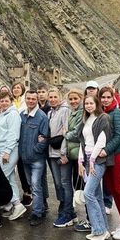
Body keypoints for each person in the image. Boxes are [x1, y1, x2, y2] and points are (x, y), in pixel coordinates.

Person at [98, 86, 120, 240]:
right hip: (108, 156)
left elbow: (119, 135)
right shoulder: (104, 113)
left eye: (108, 97)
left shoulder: (117, 113)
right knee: (112, 188)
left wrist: (106, 149)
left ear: (113, 97)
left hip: (118, 154)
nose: (105, 100)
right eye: (103, 97)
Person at [78, 95, 113, 240]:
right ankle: (102, 229)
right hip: (87, 160)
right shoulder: (86, 120)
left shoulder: (103, 118)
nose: (88, 105)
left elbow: (102, 140)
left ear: (96, 104)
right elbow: (83, 142)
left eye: (91, 103)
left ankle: (99, 230)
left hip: (97, 161)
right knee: (97, 196)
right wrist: (81, 161)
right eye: (86, 103)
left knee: (88, 193)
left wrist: (92, 159)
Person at [19, 90, 50, 226]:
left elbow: (44, 138)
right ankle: (42, 207)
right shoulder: (22, 115)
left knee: (36, 185)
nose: (31, 101)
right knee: (33, 185)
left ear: (37, 100)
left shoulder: (42, 117)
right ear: (25, 99)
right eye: (29, 98)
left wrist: (35, 150)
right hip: (25, 158)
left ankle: (37, 213)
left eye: (33, 99)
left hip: (36, 158)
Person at [0, 91, 26, 221]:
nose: (4, 103)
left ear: (11, 101)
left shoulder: (13, 114)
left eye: (6, 100)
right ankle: (13, 205)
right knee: (10, 179)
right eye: (2, 101)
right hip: (1, 150)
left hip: (9, 151)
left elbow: (13, 135)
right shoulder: (2, 114)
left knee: (1, 178)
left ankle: (17, 204)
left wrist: (7, 152)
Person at [46, 87, 75, 227]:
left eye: (54, 97)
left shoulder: (64, 111)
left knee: (65, 183)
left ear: (60, 97)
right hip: (52, 152)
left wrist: (64, 153)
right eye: (50, 97)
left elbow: (66, 132)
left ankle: (67, 212)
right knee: (58, 184)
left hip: (62, 153)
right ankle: (66, 207)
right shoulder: (50, 112)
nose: (52, 99)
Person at [63, 88, 88, 231]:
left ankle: (89, 219)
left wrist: (66, 133)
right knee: (77, 184)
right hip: (73, 154)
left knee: (83, 186)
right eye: (71, 99)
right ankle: (80, 216)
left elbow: (77, 133)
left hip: (80, 154)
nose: (73, 101)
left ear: (81, 98)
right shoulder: (72, 113)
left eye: (75, 99)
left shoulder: (82, 113)